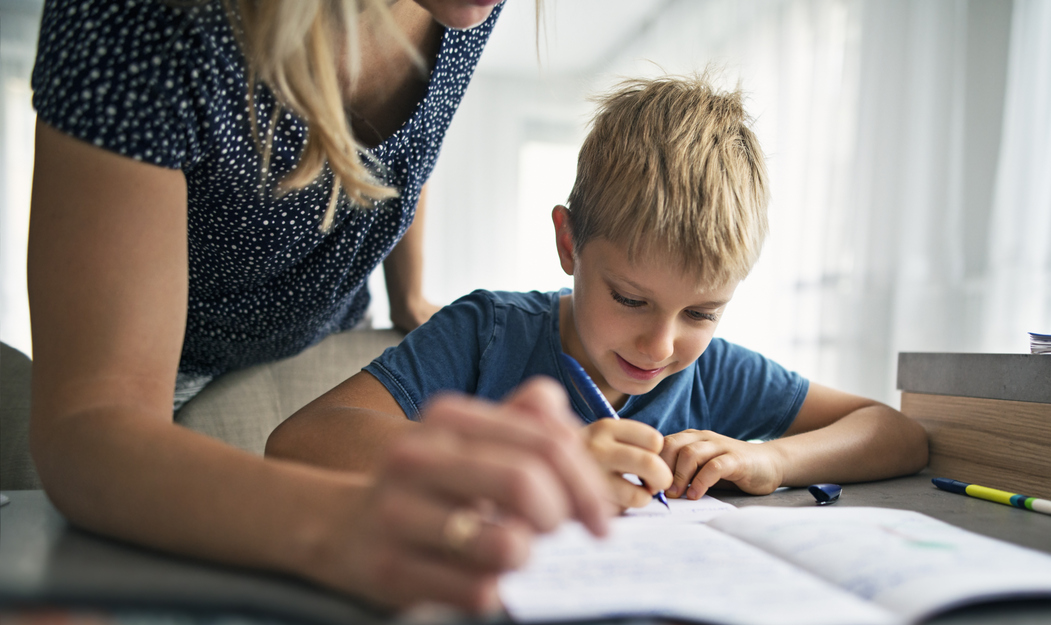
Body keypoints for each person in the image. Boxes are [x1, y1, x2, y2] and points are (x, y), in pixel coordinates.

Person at [26, 0, 611, 614]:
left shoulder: (465, 12)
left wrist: (407, 290)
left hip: (320, 327)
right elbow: (90, 423)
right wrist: (339, 527)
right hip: (165, 364)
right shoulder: (143, 21)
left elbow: (412, 146)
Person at [266, 75, 930, 508]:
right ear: (569, 244)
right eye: (632, 299)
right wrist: (525, 461)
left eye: (701, 311)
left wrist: (772, 458)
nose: (662, 344)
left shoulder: (713, 372)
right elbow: (304, 440)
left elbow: (894, 432)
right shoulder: (488, 333)